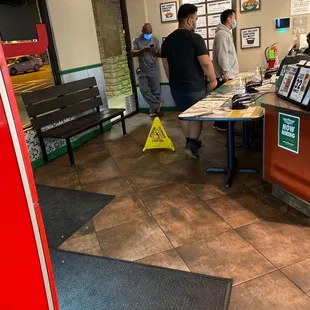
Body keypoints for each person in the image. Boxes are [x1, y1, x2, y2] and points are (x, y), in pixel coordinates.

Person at [161, 4, 217, 159]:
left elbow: (166, 66)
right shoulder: (195, 38)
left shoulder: (167, 41)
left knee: (184, 114)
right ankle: (192, 143)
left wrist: (172, 81)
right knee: (196, 116)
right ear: (190, 20)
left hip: (176, 87)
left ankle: (189, 142)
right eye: (196, 19)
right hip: (195, 86)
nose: (196, 22)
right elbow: (206, 63)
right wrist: (213, 80)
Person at [212, 9, 239, 131]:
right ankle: (222, 125)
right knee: (225, 103)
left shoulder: (225, 33)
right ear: (229, 19)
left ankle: (223, 124)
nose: (235, 21)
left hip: (228, 75)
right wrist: (226, 74)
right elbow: (222, 56)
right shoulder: (222, 34)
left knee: (227, 102)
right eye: (234, 18)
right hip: (225, 76)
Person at [132, 23, 163, 117]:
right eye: (146, 33)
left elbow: (161, 55)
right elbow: (132, 53)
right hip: (142, 70)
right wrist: (143, 50)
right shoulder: (136, 40)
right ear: (142, 31)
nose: (148, 34)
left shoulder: (155, 40)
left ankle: (154, 111)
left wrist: (155, 51)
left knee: (156, 91)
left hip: (153, 68)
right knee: (143, 89)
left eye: (150, 32)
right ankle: (157, 105)